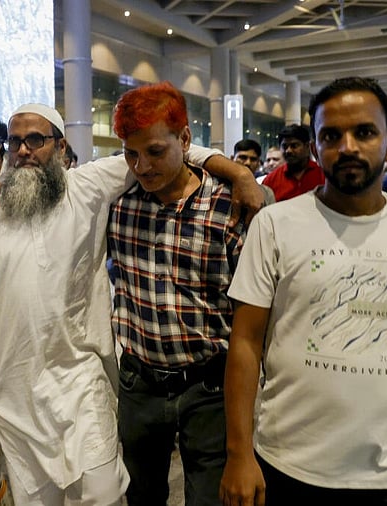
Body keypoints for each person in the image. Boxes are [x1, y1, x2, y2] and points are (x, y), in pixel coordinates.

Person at [0, 100, 264, 505]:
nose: (24, 150)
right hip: (13, 388)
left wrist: (239, 172)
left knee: (100, 492)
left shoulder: (87, 186)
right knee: (37, 498)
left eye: (35, 140)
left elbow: (162, 148)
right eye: (15, 141)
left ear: (62, 147)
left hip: (80, 379)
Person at [219, 76, 387, 506]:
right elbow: (245, 342)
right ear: (315, 147)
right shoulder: (275, 225)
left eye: (364, 132)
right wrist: (239, 454)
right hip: (285, 464)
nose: (347, 146)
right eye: (331, 135)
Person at [109, 81, 245, 506]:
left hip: (209, 387)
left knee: (209, 497)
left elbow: (253, 311)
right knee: (140, 495)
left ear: (185, 140)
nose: (142, 166)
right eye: (131, 154)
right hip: (139, 382)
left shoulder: (229, 208)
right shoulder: (119, 203)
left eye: (154, 152)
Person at [262, 124, 324, 201]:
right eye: (284, 146)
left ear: (307, 147)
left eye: (294, 146)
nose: (288, 151)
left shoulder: (323, 174)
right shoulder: (271, 180)